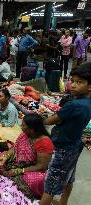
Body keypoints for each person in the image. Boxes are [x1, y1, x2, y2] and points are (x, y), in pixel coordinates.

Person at [40, 63, 91, 205]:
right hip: (75, 144)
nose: (73, 85)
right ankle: (63, 202)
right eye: (72, 81)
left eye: (79, 82)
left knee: (50, 183)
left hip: (62, 147)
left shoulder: (73, 105)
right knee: (69, 176)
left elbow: (52, 120)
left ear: (90, 86)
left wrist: (42, 120)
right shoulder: (87, 102)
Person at [0, 114, 54, 199]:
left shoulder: (45, 143)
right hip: (16, 161)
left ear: (32, 129)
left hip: (32, 168)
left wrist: (19, 170)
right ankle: (8, 169)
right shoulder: (25, 134)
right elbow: (15, 147)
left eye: (23, 125)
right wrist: (6, 156)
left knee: (37, 181)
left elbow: (41, 166)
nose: (21, 126)